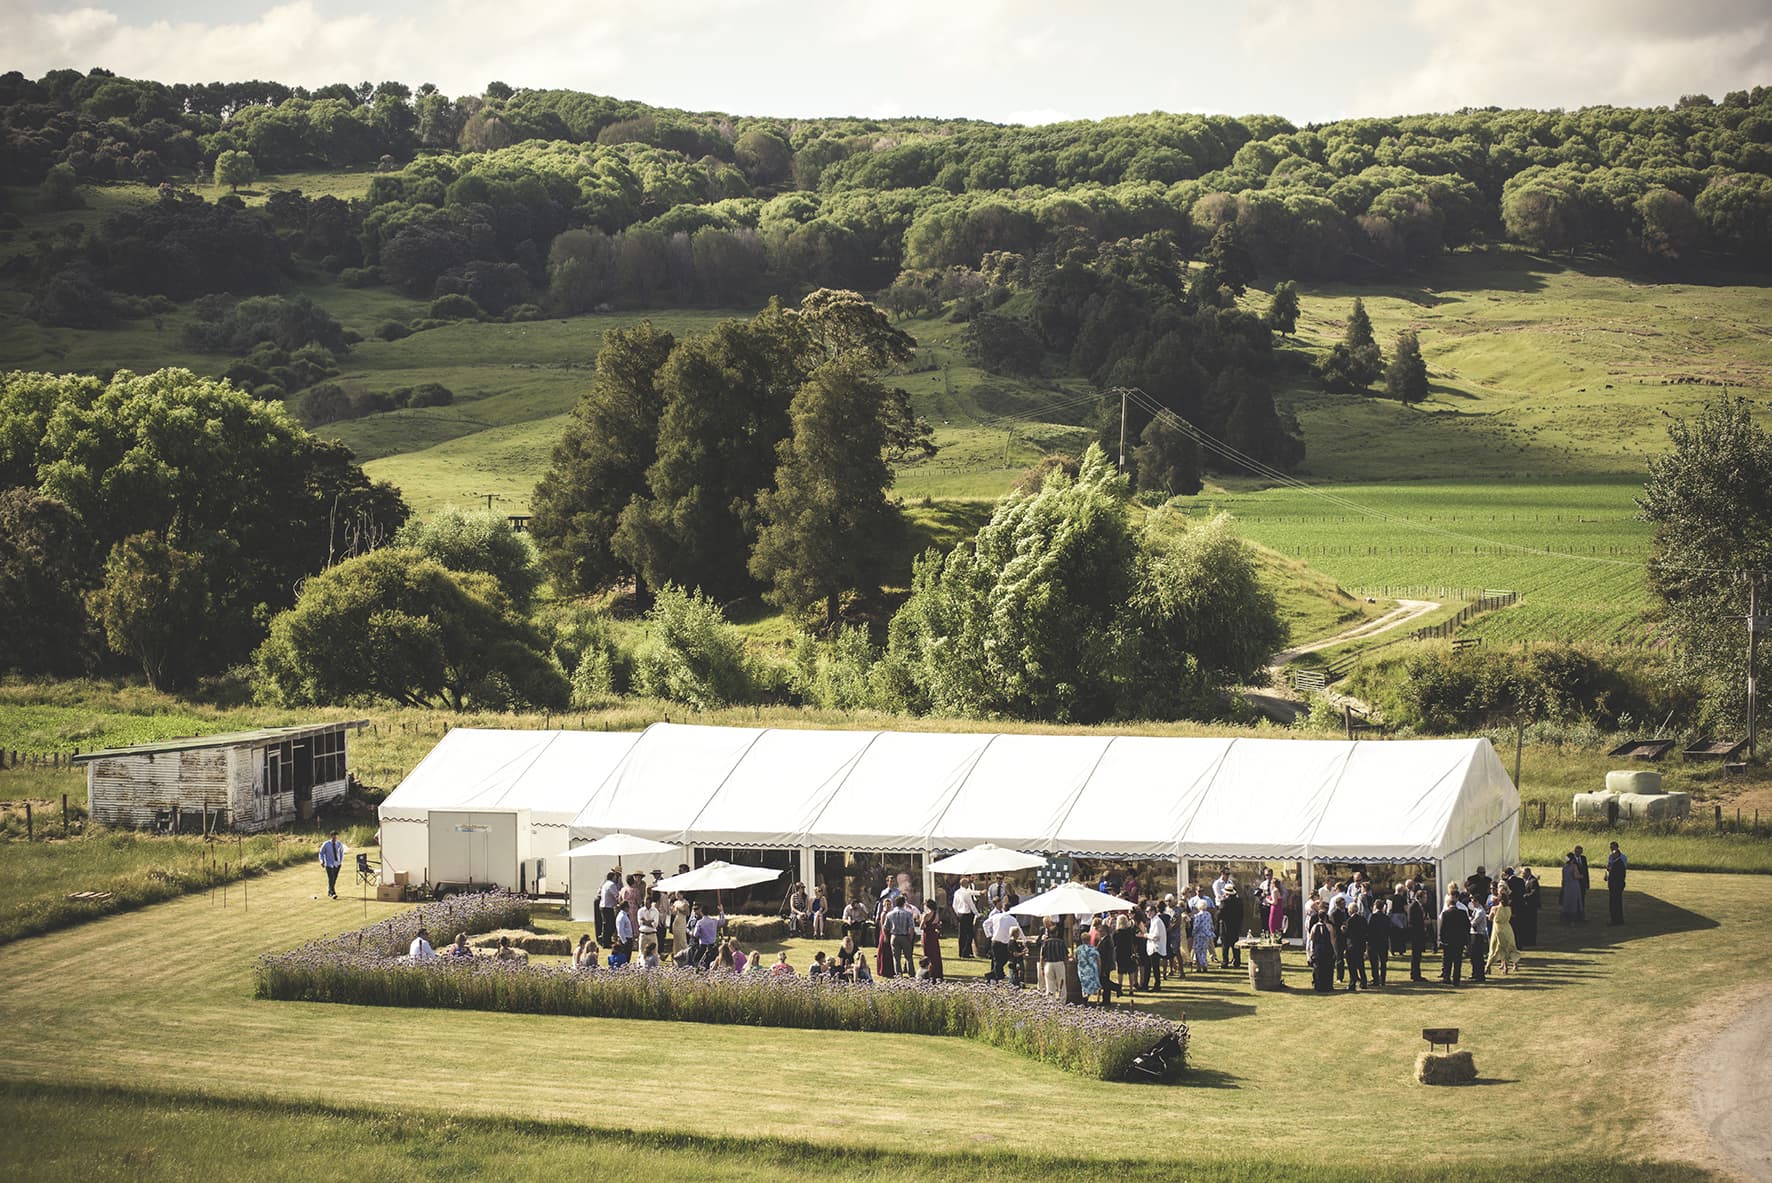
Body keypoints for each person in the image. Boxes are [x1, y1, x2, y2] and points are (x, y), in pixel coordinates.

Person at [983, 903, 1023, 983]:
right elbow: (1019, 930)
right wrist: (1024, 940)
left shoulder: (996, 916)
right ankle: (994, 976)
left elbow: (985, 924)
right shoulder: (1012, 919)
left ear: (1003, 909)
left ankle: (994, 976)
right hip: (1003, 943)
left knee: (998, 961)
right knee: (1000, 961)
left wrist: (989, 935)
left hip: (995, 941)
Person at [1438, 892, 1470, 986]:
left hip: (1448, 941)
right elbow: (1467, 926)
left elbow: (1442, 928)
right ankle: (1456, 979)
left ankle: (1446, 977)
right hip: (1459, 940)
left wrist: (1441, 939)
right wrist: (1465, 938)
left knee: (1447, 960)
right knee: (1457, 961)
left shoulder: (1445, 914)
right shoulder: (1462, 913)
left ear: (1448, 904)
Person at [884, 894, 919, 977]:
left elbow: (885, 927)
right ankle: (911, 973)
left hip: (894, 936)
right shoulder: (908, 914)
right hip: (905, 936)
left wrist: (887, 936)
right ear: (904, 903)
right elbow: (911, 927)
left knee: (896, 958)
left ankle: (899, 975)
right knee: (908, 957)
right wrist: (910, 938)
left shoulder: (889, 914)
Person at [1487, 890, 1520, 974]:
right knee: (1509, 947)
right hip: (1508, 928)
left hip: (1498, 929)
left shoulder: (1495, 908)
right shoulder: (1509, 908)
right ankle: (1512, 965)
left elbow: (1490, 918)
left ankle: (1488, 966)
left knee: (1495, 948)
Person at [951, 876, 980, 959]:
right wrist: (977, 914)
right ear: (964, 884)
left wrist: (957, 912)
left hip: (960, 914)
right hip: (966, 914)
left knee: (961, 934)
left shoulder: (957, 892)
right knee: (969, 934)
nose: (968, 884)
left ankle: (961, 952)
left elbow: (954, 905)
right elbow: (971, 905)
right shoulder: (966, 893)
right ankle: (965, 952)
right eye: (967, 883)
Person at [1342, 903, 1368, 992]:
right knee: (1361, 964)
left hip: (1352, 945)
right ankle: (1364, 982)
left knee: (1352, 966)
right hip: (1360, 945)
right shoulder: (1363, 920)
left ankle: (1352, 983)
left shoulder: (1349, 921)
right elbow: (1366, 931)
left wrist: (1343, 930)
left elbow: (1347, 933)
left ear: (1351, 910)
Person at [1307, 913, 1336, 992]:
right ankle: (1328, 985)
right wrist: (1334, 950)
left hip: (1318, 948)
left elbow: (1311, 939)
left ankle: (1319, 985)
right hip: (1327, 948)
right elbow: (1332, 940)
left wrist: (1311, 951)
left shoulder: (1314, 927)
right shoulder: (1329, 927)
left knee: (1318, 967)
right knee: (1328, 967)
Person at [1219, 884, 1245, 969]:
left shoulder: (1224, 902)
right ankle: (1237, 961)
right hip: (1235, 926)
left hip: (1226, 926)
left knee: (1225, 945)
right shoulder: (1239, 901)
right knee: (1235, 945)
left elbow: (1220, 914)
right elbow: (1241, 914)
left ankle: (1225, 962)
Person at [1366, 897, 1390, 987]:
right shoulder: (1386, 918)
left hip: (1373, 941)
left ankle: (1375, 979)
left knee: (1374, 961)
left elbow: (1369, 929)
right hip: (1383, 941)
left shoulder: (1372, 916)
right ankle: (1383, 979)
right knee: (1383, 961)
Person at [1142, 903, 1166, 992]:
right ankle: (1145, 984)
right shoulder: (1153, 921)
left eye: (1148, 911)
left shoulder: (1157, 921)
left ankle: (1157, 985)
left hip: (1156, 948)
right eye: (1146, 912)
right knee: (1148, 967)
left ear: (1153, 912)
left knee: (1155, 968)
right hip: (1152, 947)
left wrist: (1145, 935)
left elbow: (1156, 936)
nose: (1146, 913)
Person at [1466, 892, 1489, 983]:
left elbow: (1473, 923)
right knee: (1473, 955)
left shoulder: (1480, 911)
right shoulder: (1475, 910)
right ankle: (1474, 973)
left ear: (1478, 901)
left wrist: (1467, 921)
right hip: (1473, 933)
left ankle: (1480, 975)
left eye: (1474, 901)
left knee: (1478, 956)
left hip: (1478, 934)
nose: (1472, 903)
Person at [920, 896, 944, 981]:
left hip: (927, 935)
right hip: (934, 935)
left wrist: (921, 920)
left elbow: (921, 927)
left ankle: (929, 973)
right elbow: (937, 924)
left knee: (928, 954)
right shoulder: (936, 914)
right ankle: (937, 973)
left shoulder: (926, 915)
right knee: (936, 954)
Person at [1407, 889, 1430, 982]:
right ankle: (1415, 974)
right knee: (1416, 954)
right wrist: (1423, 922)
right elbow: (1411, 921)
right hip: (1415, 934)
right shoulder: (1413, 906)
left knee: (1418, 954)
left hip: (1420, 933)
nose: (1426, 899)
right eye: (1424, 898)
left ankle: (1417, 973)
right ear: (1419, 897)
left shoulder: (1421, 906)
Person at [318, 831, 347, 899]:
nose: (335, 838)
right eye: (334, 836)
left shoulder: (339, 844)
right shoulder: (326, 844)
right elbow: (321, 853)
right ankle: (332, 893)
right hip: (329, 864)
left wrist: (340, 862)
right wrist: (322, 861)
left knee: (334, 879)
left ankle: (330, 891)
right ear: (331, 836)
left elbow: (341, 853)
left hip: (337, 864)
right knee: (331, 878)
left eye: (336, 837)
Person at [1075, 933, 1102, 1004]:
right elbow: (1098, 960)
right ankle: (1092, 999)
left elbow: (1076, 959)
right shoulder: (1093, 949)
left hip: (1082, 969)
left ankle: (1085, 997)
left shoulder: (1078, 949)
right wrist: (1099, 969)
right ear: (1089, 939)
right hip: (1092, 969)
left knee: (1084, 984)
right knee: (1094, 985)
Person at [1517, 868, 1541, 948]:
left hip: (1531, 906)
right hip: (1525, 906)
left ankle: (1531, 941)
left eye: (1523, 873)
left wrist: (1524, 896)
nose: (1522, 875)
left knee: (1532, 923)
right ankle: (1526, 940)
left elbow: (1534, 893)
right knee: (1526, 923)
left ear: (1527, 873)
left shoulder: (1533, 881)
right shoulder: (1524, 880)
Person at [1606, 842, 1628, 925]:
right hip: (1615, 885)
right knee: (1616, 902)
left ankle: (1615, 920)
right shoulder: (1616, 862)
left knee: (1615, 903)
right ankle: (1617, 919)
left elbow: (1618, 874)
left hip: (1616, 886)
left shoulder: (1619, 863)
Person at [1191, 899, 1216, 972]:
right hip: (1207, 934)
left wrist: (1193, 932)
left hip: (1199, 935)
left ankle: (1199, 967)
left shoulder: (1198, 915)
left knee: (1197, 950)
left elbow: (1196, 926)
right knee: (1204, 951)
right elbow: (1211, 924)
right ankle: (1205, 965)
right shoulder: (1208, 914)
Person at [597, 871, 621, 947]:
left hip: (603, 906)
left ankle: (606, 940)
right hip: (608, 907)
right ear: (613, 877)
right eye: (615, 877)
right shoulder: (612, 885)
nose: (616, 878)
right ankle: (605, 941)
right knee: (609, 925)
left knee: (607, 924)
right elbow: (616, 895)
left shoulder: (605, 884)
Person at [1560, 853, 1582, 924]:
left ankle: (1565, 918)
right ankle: (1574, 919)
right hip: (1573, 885)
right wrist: (1581, 876)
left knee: (1567, 901)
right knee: (1574, 901)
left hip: (1567, 885)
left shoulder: (1564, 867)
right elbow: (1575, 876)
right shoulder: (1574, 866)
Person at [1573, 845, 1591, 921]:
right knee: (1575, 899)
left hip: (1582, 883)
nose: (1579, 854)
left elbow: (1586, 871)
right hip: (1575, 882)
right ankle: (1575, 915)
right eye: (1577, 852)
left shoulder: (1583, 858)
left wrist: (1587, 882)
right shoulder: (1572, 859)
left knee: (1582, 899)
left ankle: (1581, 916)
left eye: (1580, 852)